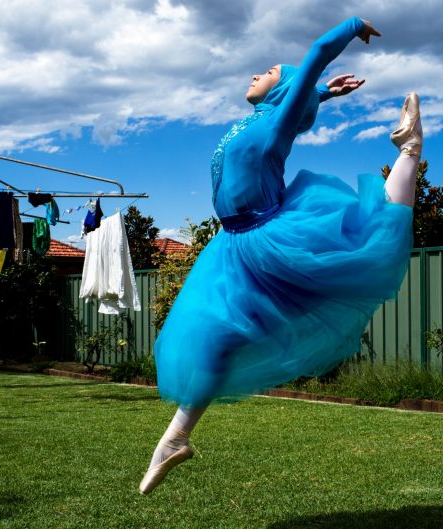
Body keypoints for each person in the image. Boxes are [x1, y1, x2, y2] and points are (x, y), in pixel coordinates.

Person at [140, 16, 422, 494]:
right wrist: (323, 96)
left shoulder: (274, 123)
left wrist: (352, 26)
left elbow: (314, 54)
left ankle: (410, 149)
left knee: (370, 238)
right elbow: (300, 92)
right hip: (230, 244)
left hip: (268, 238)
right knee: (217, 339)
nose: (256, 72)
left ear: (285, 88)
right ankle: (176, 440)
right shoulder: (255, 120)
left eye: (268, 69)